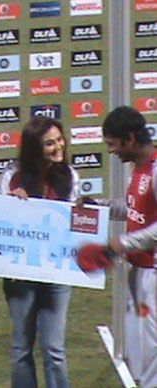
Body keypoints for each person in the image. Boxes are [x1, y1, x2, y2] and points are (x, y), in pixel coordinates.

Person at [0, 117, 80, 388]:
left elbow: (70, 225)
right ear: (34, 148)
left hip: (56, 273)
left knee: (54, 349)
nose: (58, 147)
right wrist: (14, 202)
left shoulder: (70, 175)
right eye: (49, 143)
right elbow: (2, 222)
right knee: (22, 347)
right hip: (21, 274)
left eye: (59, 140)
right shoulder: (12, 176)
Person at [100, 106, 157, 387]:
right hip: (139, 270)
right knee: (139, 354)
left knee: (152, 356)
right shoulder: (140, 168)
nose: (111, 151)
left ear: (130, 139)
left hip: (153, 275)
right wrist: (100, 208)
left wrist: (123, 241)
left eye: (113, 143)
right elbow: (134, 209)